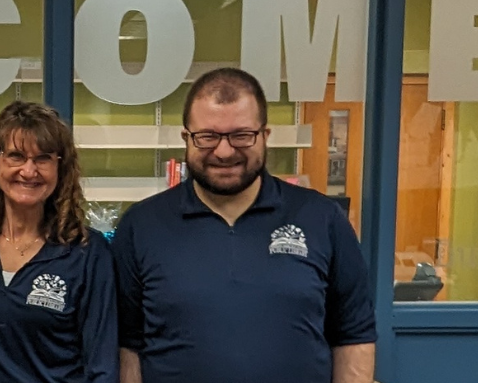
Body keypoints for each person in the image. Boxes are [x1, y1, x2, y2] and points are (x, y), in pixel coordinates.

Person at [112, 68, 376, 383]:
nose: (224, 151)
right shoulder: (141, 227)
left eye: (241, 135)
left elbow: (353, 334)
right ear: (186, 138)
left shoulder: (322, 219)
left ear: (264, 136)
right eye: (207, 136)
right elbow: (128, 345)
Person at [0, 101, 116, 383]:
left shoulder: (87, 251)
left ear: (61, 170)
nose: (29, 171)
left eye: (43, 158)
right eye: (15, 156)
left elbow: (102, 365)